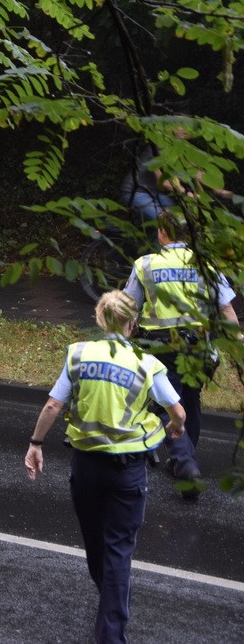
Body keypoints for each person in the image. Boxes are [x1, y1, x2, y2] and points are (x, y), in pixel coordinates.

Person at [25, 290, 186, 644]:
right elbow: (177, 410)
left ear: (100, 320)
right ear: (133, 324)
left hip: (85, 468)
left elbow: (53, 405)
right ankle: (111, 630)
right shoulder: (146, 362)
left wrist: (35, 445)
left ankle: (111, 600)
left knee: (96, 544)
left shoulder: (79, 353)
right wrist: (175, 427)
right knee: (118, 550)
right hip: (126, 471)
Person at [122, 209, 240, 496]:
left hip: (162, 346)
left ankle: (184, 462)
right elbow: (225, 308)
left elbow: (127, 308)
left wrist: (121, 342)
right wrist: (235, 340)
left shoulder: (146, 264)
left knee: (166, 401)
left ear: (162, 233)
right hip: (198, 346)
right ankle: (185, 457)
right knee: (190, 397)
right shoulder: (205, 264)